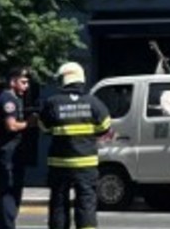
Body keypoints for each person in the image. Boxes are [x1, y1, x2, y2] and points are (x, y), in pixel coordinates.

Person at [40, 62, 111, 229]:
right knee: (86, 201)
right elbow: (105, 126)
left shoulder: (52, 102)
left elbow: (44, 127)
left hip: (59, 163)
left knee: (59, 202)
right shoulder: (93, 102)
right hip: (86, 163)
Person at [0, 67, 36, 229]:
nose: (26, 86)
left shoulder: (10, 98)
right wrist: (29, 123)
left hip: (8, 152)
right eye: (23, 82)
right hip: (9, 153)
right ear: (12, 82)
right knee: (10, 191)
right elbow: (11, 125)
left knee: (5, 191)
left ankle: (2, 224)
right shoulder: (8, 100)